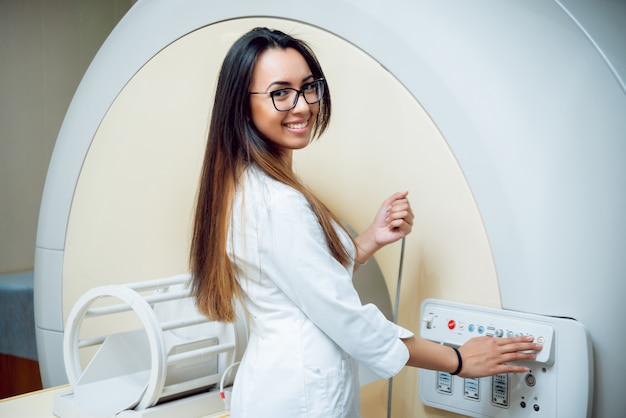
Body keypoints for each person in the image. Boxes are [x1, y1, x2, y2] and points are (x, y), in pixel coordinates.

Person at [190, 27, 542, 418]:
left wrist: (370, 240)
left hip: (273, 383)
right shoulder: (278, 204)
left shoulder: (247, 185)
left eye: (309, 87)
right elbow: (347, 319)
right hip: (300, 396)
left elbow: (300, 278)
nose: (303, 105)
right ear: (243, 104)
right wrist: (457, 359)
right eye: (280, 93)